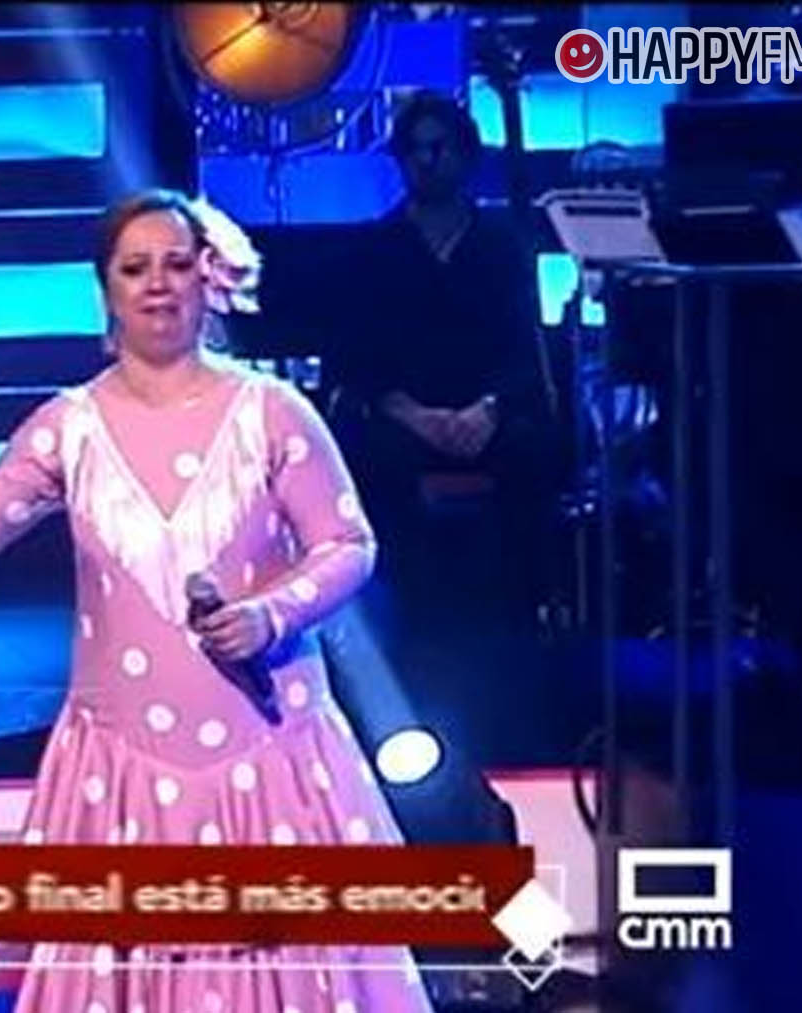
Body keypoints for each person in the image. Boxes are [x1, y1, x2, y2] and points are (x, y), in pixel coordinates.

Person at [0, 189, 432, 1011]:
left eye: (176, 263)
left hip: (268, 753)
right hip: (121, 771)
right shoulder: (69, 426)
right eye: (135, 268)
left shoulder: (272, 412)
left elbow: (348, 544)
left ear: (208, 278)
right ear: (107, 290)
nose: (158, 283)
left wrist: (269, 614)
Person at [327, 91, 563, 770]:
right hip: (404, 413)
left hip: (488, 412)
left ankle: (521, 617)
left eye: (441, 148)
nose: (429, 161)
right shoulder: (374, 251)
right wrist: (415, 413)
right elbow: (355, 359)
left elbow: (525, 351)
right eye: (416, 150)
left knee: (536, 452)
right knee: (372, 460)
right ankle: (410, 616)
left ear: (465, 155)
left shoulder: (502, 246)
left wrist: (487, 409)